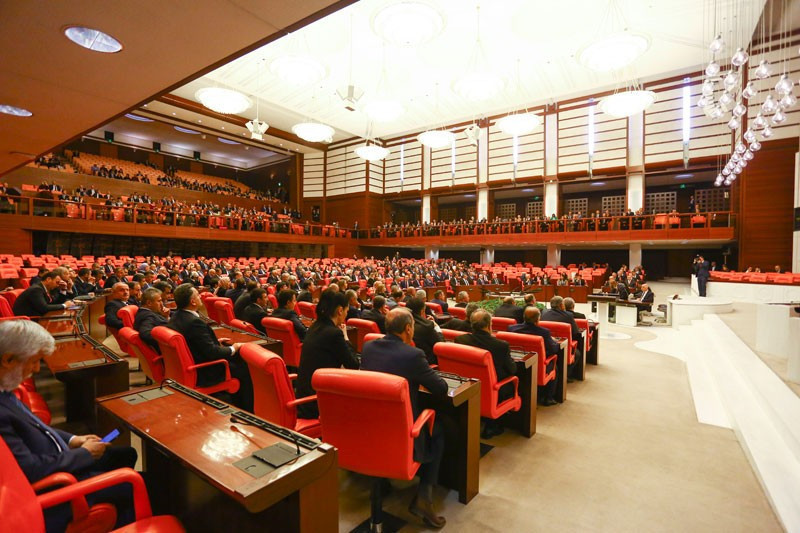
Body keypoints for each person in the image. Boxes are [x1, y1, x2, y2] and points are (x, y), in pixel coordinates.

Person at [0, 320, 138, 531]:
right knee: (129, 484)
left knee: (125, 454)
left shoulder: (5, 389)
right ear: (8, 359)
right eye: (34, 361)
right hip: (54, 486)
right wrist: (85, 454)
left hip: (60, 458)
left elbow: (37, 427)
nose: (36, 369)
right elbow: (31, 470)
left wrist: (74, 440)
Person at [360, 308, 448, 528]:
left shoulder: (369, 347)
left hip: (370, 425)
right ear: (408, 329)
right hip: (401, 431)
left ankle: (383, 481)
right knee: (438, 430)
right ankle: (424, 497)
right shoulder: (413, 355)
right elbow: (440, 388)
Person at [167, 284, 253, 411]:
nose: (200, 296)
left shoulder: (176, 317)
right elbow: (213, 353)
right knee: (244, 367)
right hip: (205, 370)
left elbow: (194, 341)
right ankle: (247, 409)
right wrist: (234, 348)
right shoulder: (194, 322)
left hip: (192, 361)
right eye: (197, 295)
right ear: (192, 301)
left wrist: (214, 341)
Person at [295, 290, 360, 419]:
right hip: (317, 402)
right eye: (346, 311)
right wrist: (346, 337)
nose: (346, 315)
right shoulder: (334, 333)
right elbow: (353, 364)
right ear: (340, 310)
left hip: (304, 397)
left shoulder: (314, 327)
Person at [454, 309, 516, 438]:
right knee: (514, 382)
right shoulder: (501, 345)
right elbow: (512, 370)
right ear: (489, 325)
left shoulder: (460, 339)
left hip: (466, 386)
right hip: (492, 390)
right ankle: (493, 426)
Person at [509, 307, 559, 406]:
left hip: (519, 364)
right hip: (539, 366)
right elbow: (554, 349)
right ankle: (548, 398)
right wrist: (555, 342)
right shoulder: (544, 332)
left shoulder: (512, 328)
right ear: (538, 319)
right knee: (555, 366)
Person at [542, 296, 584, 381]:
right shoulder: (568, 315)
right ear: (561, 305)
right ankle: (566, 375)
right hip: (564, 347)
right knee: (577, 353)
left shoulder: (544, 312)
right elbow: (576, 332)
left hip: (548, 346)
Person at [407, 297, 443, 365]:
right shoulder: (427, 327)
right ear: (422, 311)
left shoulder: (403, 322)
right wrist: (437, 328)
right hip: (428, 362)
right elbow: (440, 345)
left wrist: (424, 321)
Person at [133, 288, 169, 353]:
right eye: (159, 301)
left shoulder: (145, 312)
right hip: (167, 351)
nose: (162, 304)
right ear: (149, 303)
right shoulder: (148, 316)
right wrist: (167, 339)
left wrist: (166, 317)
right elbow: (145, 333)